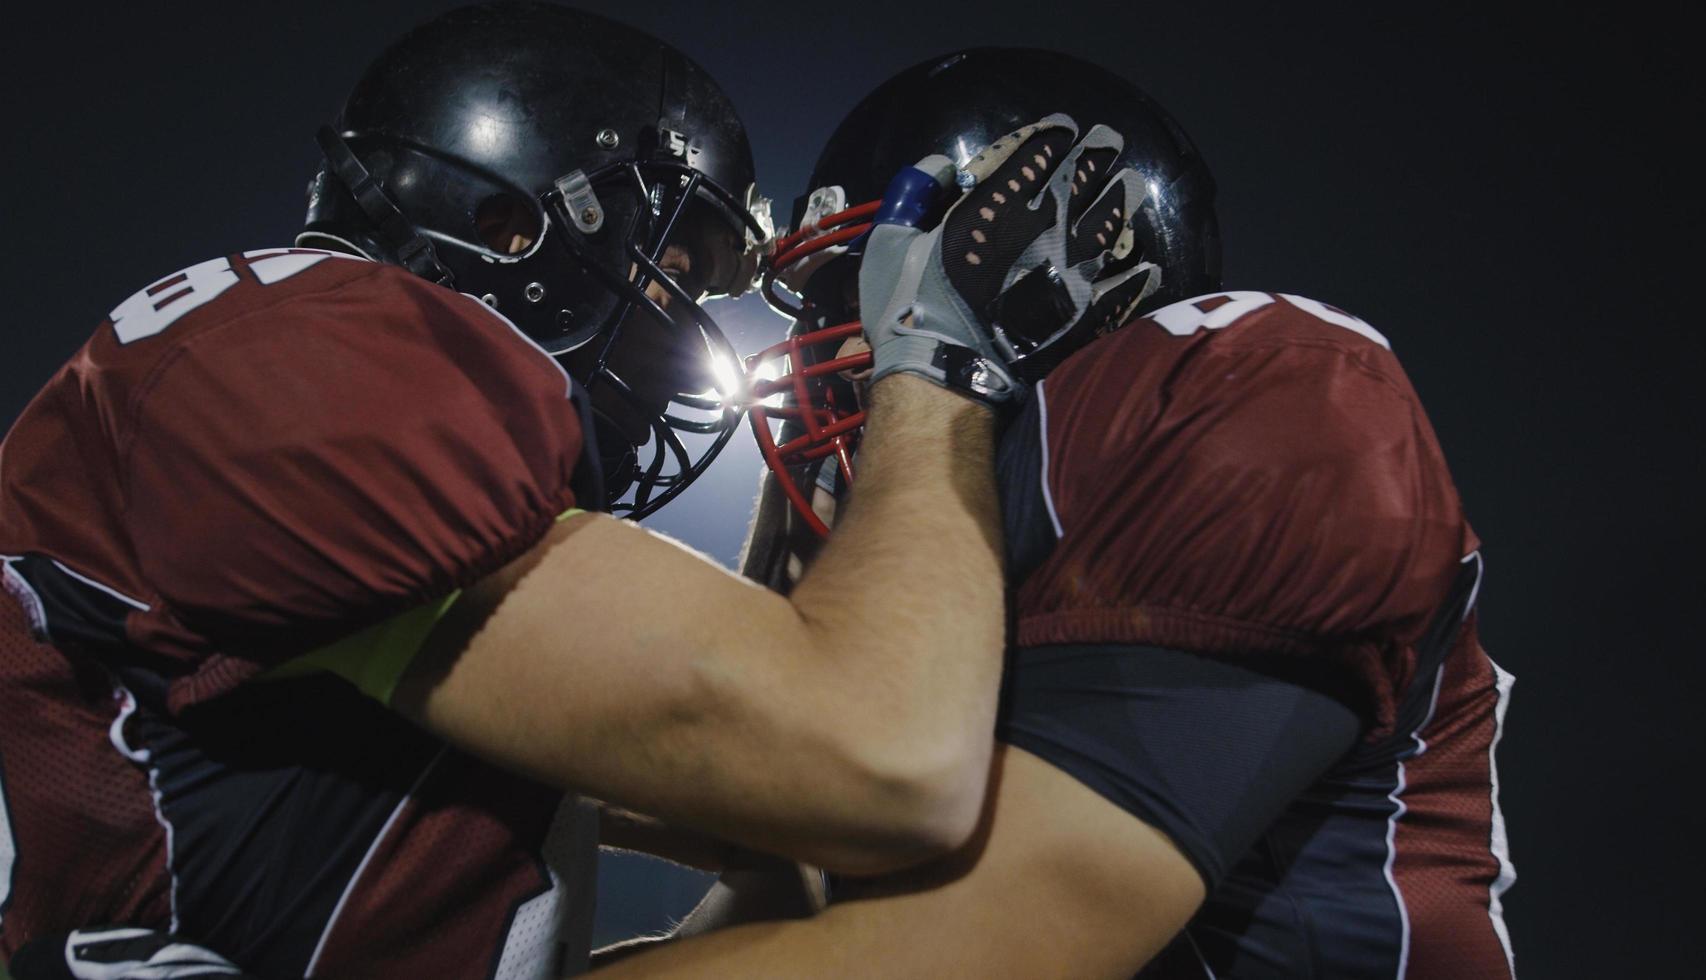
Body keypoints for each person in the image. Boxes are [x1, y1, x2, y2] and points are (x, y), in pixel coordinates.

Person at [0, 7, 1147, 976]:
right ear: (513, 224)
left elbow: (788, 837)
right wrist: (939, 364)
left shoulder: (351, 511)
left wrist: (826, 438)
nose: (680, 324)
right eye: (676, 269)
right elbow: (882, 767)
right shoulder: (329, 349)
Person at [604, 48, 1518, 979]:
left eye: (882, 289)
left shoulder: (1265, 391)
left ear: (1065, 269)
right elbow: (776, 886)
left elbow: (944, 961)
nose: (827, 352)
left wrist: (934, 372)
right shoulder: (954, 525)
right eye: (829, 305)